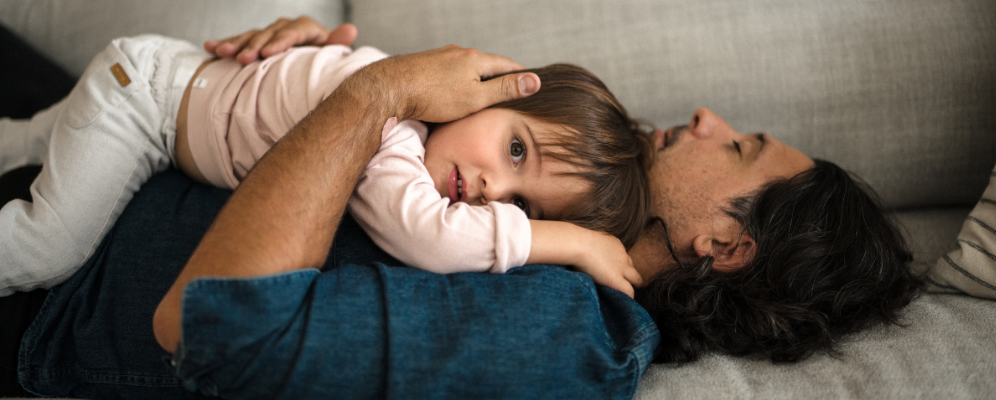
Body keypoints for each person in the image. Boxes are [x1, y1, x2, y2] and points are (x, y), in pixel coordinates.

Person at [167, 16, 922, 364]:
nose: (707, 117)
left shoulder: (561, 328)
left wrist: (370, 94)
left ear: (726, 245)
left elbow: (211, 327)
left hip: (68, 281)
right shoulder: (559, 240)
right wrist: (295, 90)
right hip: (170, 115)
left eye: (738, 145)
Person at [0, 26, 650, 297]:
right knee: (48, 244)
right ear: (481, 83)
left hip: (153, 80)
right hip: (147, 105)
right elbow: (429, 236)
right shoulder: (387, 129)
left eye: (520, 204)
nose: (489, 189)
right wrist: (562, 237)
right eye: (516, 150)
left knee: (22, 145)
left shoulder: (404, 116)